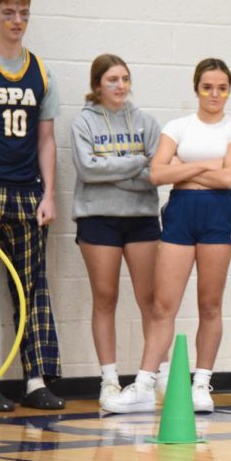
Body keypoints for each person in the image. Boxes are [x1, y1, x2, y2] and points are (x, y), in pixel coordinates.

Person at [102, 58, 231, 415]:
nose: (214, 94)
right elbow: (157, 173)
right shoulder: (178, 126)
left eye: (222, 88)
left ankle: (201, 384)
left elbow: (230, 178)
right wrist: (207, 165)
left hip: (217, 214)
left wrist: (183, 170)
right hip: (181, 213)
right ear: (196, 88)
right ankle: (143, 383)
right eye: (207, 87)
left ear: (229, 90)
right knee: (162, 305)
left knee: (210, 304)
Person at [70, 54, 164, 409]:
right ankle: (109, 380)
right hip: (98, 218)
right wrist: (136, 164)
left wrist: (113, 170)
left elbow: (155, 173)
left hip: (141, 219)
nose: (120, 85)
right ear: (98, 85)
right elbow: (88, 170)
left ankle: (153, 377)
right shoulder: (82, 123)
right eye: (112, 79)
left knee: (151, 300)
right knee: (105, 298)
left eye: (125, 78)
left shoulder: (146, 122)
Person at [0, 0, 63, 411]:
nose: (17, 21)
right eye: (8, 13)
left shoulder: (41, 71)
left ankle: (35, 380)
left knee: (32, 289)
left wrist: (50, 193)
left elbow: (46, 140)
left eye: (23, 14)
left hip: (27, 194)